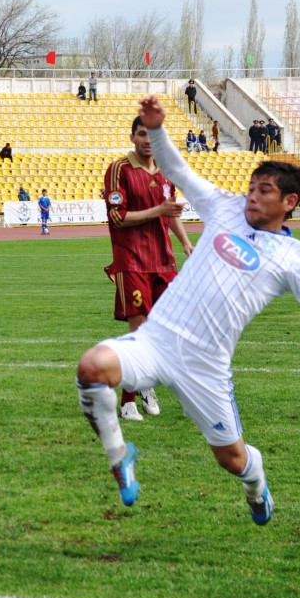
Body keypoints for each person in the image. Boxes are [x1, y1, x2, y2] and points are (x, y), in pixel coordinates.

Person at [75, 95, 300, 526]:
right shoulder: (224, 207)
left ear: (290, 201)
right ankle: (121, 456)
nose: (251, 197)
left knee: (232, 460)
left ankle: (256, 483)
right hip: (155, 341)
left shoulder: (293, 256)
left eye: (264, 191)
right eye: (251, 188)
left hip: (206, 366)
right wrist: (156, 129)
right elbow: (178, 170)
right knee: (91, 367)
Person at [102, 116, 195, 421]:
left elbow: (171, 215)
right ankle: (130, 400)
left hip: (163, 261)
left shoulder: (166, 173)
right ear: (132, 138)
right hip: (132, 261)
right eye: (142, 134)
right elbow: (117, 217)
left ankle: (140, 387)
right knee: (140, 331)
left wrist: (184, 242)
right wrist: (159, 211)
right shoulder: (119, 170)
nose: (147, 140)